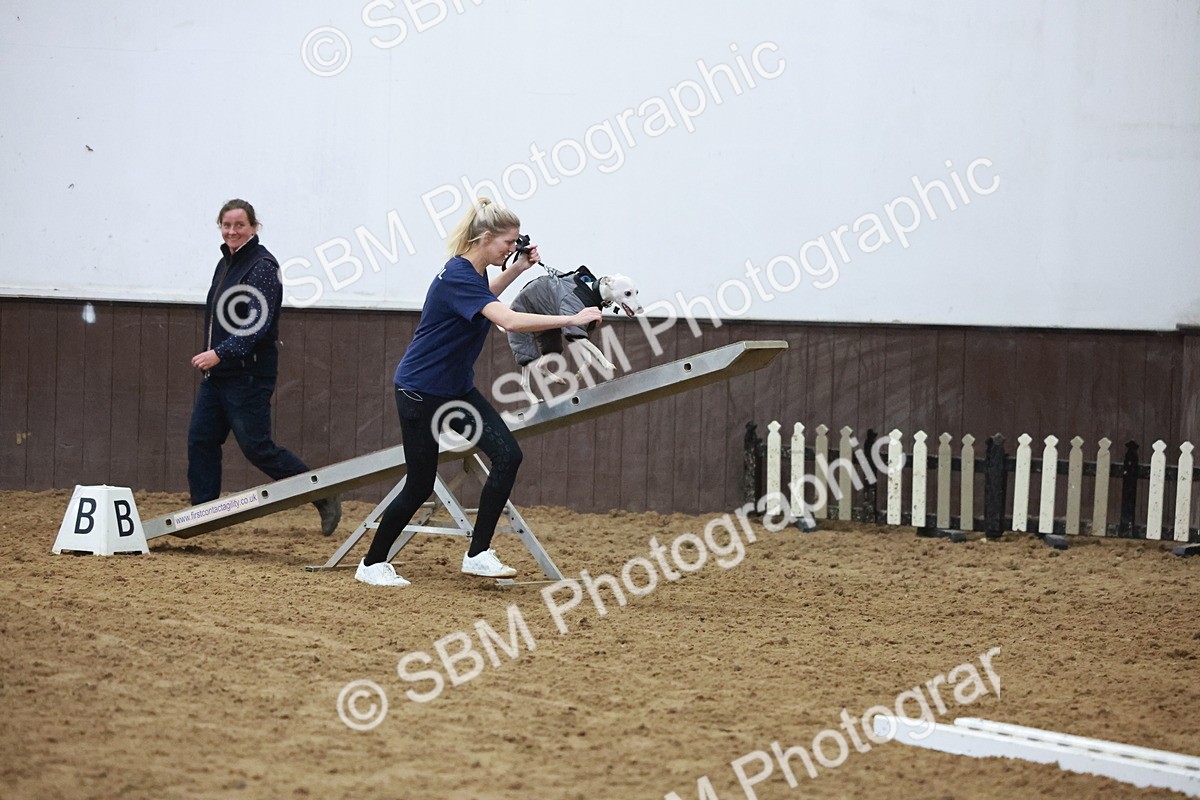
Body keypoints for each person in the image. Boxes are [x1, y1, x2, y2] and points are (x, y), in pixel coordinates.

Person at [355, 198, 602, 586]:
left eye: (516, 243)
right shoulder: (458, 275)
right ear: (485, 237)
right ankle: (371, 564)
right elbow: (508, 320)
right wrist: (572, 317)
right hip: (420, 392)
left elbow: (485, 295)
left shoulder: (470, 273)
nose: (512, 248)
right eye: (508, 243)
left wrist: (517, 269)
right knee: (419, 485)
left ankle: (478, 553)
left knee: (508, 455)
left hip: (456, 390)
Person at [187, 199, 342, 536]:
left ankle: (322, 493)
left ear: (254, 227)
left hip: (247, 375)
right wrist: (217, 359)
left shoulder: (262, 267)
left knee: (257, 447)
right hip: (219, 375)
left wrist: (219, 353)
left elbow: (256, 324)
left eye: (239, 225)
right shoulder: (226, 264)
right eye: (226, 225)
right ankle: (201, 515)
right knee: (201, 440)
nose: (232, 231)